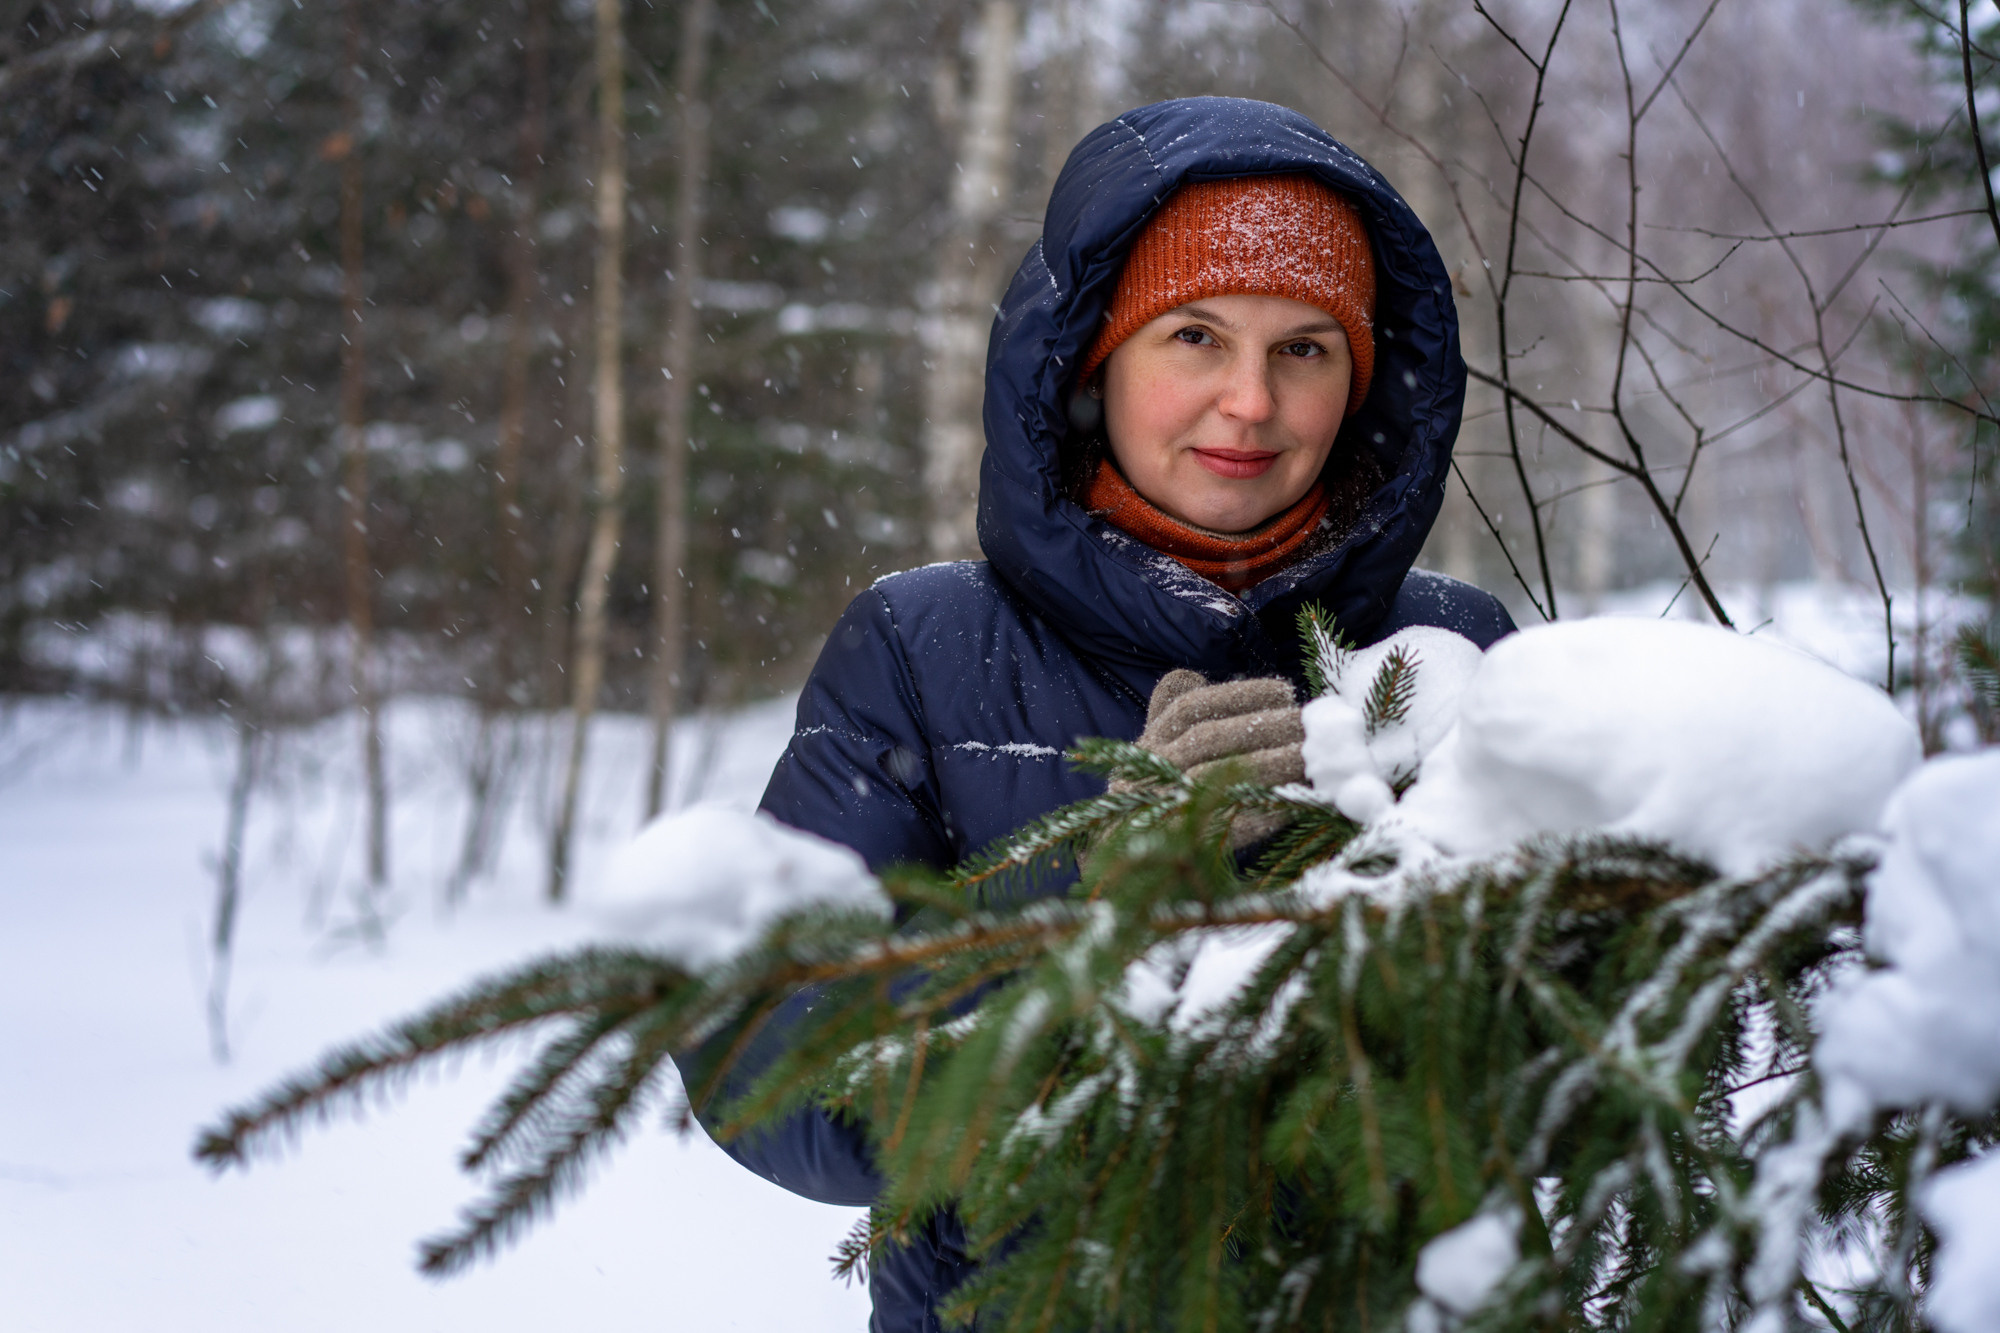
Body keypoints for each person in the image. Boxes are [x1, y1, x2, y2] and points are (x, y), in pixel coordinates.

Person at [692, 95, 1515, 1332]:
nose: (1249, 402)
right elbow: (775, 1074)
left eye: (1304, 348)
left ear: (1359, 382)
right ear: (1093, 362)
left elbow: (1570, 1077)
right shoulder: (921, 649)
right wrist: (1105, 901)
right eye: (1193, 335)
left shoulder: (1451, 649)